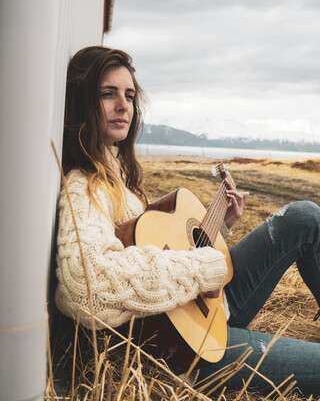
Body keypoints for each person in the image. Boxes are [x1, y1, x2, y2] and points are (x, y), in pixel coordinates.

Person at [55, 45, 320, 396]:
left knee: (302, 216)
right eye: (108, 94)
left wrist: (220, 226)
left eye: (130, 96)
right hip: (176, 353)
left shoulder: (118, 174)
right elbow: (86, 288)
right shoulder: (83, 185)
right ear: (82, 102)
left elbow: (158, 249)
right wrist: (202, 269)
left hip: (195, 310)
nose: (123, 106)